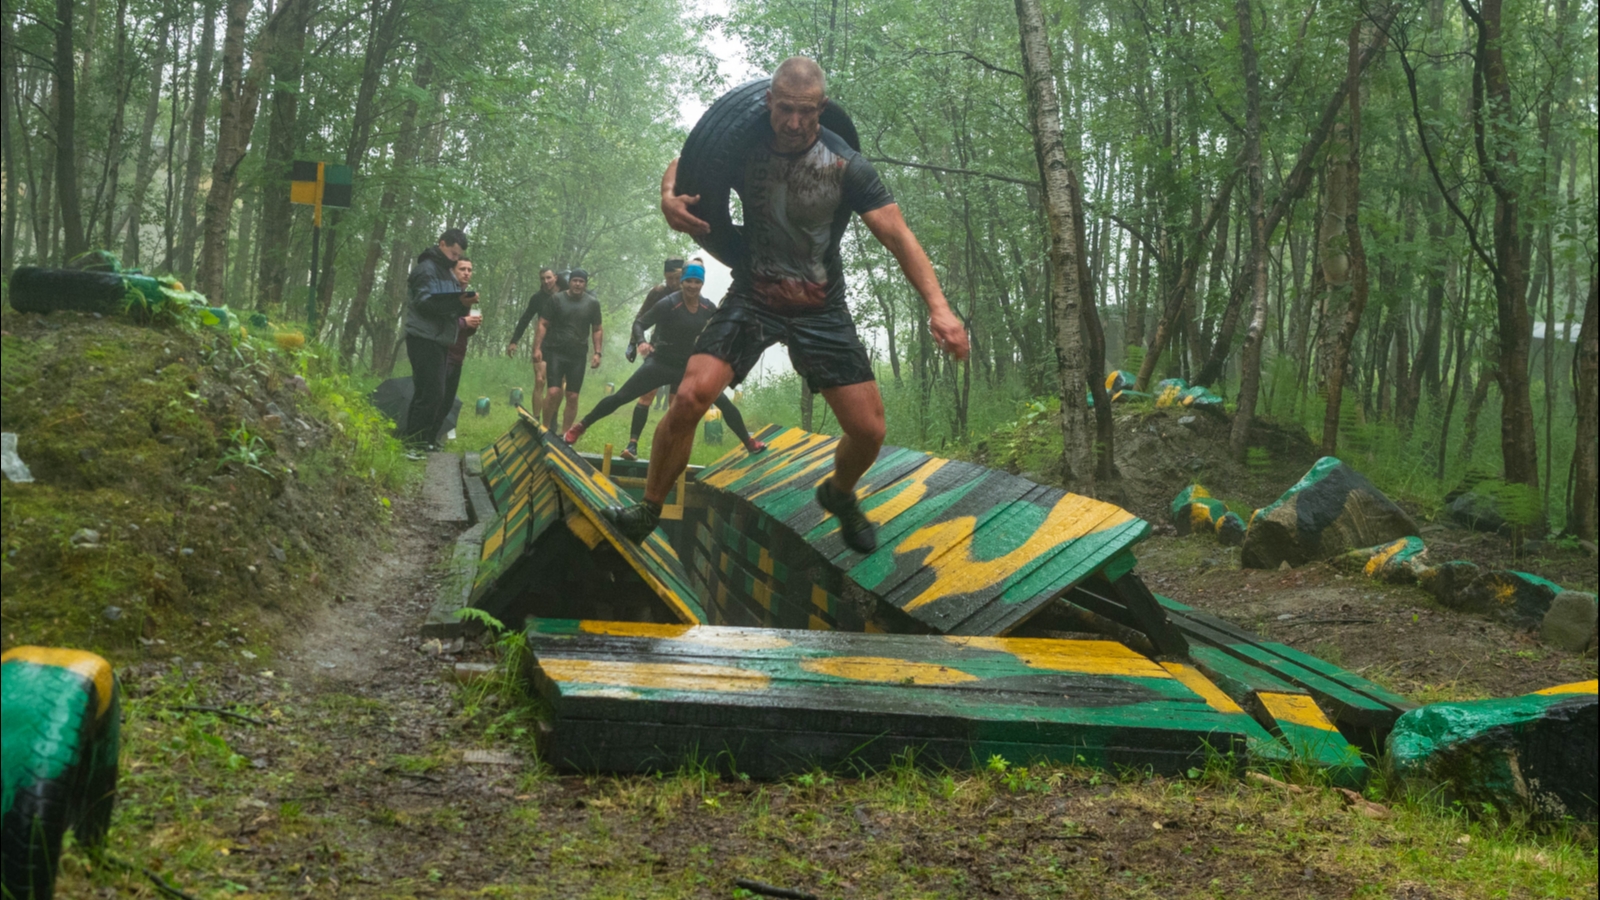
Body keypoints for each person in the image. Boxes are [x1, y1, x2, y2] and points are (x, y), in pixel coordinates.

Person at [613, 57, 969, 550]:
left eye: (806, 111)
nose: (795, 122)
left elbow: (899, 236)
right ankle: (649, 507)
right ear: (769, 102)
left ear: (822, 107)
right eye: (785, 109)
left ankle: (840, 494)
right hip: (754, 293)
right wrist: (667, 195)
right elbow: (690, 160)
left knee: (868, 431)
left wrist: (940, 308)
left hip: (821, 303)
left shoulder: (846, 164)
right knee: (692, 395)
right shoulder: (741, 145)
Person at [563, 263, 766, 455]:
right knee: (622, 397)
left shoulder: (708, 308)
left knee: (722, 401)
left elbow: (721, 333)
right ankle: (580, 427)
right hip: (661, 362)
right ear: (682, 282)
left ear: (702, 284)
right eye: (689, 282)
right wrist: (641, 342)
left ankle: (749, 443)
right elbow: (639, 324)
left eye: (697, 282)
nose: (692, 286)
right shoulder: (669, 303)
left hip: (689, 367)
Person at [403, 227, 478, 457]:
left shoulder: (444, 271)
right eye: (454, 255)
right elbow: (425, 304)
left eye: (459, 256)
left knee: (434, 393)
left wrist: (463, 303)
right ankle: (412, 444)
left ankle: (421, 440)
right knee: (431, 393)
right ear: (442, 244)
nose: (455, 259)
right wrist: (458, 304)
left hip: (439, 339)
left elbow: (448, 306)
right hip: (423, 337)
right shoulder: (426, 270)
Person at [619, 258, 685, 459]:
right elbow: (641, 318)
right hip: (659, 349)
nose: (673, 282)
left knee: (675, 402)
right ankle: (632, 445)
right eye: (669, 278)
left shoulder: (691, 292)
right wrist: (634, 343)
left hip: (683, 352)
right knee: (647, 395)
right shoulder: (658, 292)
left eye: (676, 278)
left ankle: (671, 449)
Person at [533, 269, 602, 433]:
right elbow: (543, 323)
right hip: (556, 352)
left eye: (581, 281)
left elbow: (597, 328)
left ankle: (565, 436)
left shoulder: (592, 303)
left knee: (572, 396)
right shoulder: (556, 299)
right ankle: (545, 429)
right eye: (575, 280)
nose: (578, 284)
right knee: (553, 392)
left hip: (578, 355)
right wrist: (537, 348)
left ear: (585, 284)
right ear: (569, 282)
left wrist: (597, 352)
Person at [437, 256, 483, 442]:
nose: (466, 273)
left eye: (469, 270)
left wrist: (472, 326)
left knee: (448, 400)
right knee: (438, 397)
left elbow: (463, 332)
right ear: (453, 271)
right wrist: (464, 322)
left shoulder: (469, 296)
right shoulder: (446, 294)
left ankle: (437, 434)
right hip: (443, 352)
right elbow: (438, 322)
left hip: (459, 354)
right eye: (462, 269)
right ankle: (430, 437)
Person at [507, 266, 562, 401]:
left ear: (555, 278)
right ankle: (536, 419)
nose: (546, 281)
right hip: (542, 342)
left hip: (562, 344)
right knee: (539, 380)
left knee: (556, 386)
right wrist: (514, 340)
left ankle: (552, 420)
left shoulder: (565, 295)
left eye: (549, 277)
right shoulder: (537, 298)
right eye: (542, 279)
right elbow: (525, 318)